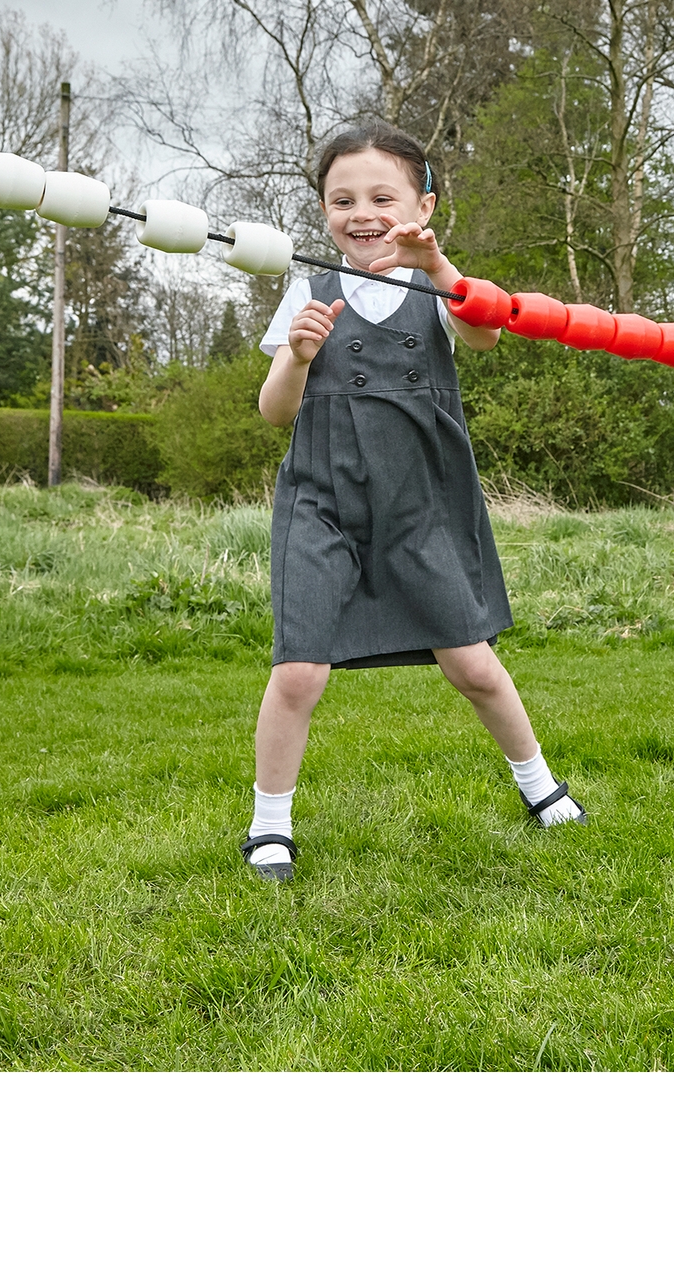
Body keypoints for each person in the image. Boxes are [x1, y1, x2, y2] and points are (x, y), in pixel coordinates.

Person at [240, 121, 586, 882]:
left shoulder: (439, 288)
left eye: (381, 197)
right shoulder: (307, 289)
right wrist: (297, 357)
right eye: (341, 199)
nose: (361, 214)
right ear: (324, 212)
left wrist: (435, 265)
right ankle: (269, 826)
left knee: (474, 665)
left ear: (422, 206)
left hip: (420, 508)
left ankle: (541, 789)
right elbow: (273, 412)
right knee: (299, 672)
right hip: (322, 503)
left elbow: (485, 335)